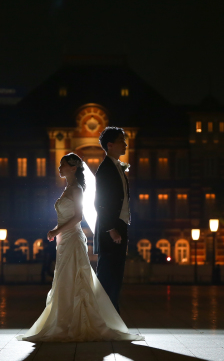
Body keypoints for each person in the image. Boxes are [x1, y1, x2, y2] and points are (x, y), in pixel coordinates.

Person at [17, 153, 143, 342]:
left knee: (74, 278)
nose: (59, 168)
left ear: (73, 168)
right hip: (64, 241)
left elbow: (77, 217)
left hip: (73, 239)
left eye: (63, 164)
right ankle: (65, 319)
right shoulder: (68, 189)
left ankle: (74, 321)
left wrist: (56, 230)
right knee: (64, 279)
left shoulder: (76, 189)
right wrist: (58, 233)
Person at [94, 127, 130, 314]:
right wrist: (111, 229)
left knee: (116, 276)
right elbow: (99, 202)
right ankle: (102, 318)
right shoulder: (105, 169)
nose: (125, 144)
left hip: (120, 225)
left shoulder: (117, 167)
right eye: (121, 141)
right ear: (110, 145)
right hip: (111, 229)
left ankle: (112, 318)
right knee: (107, 276)